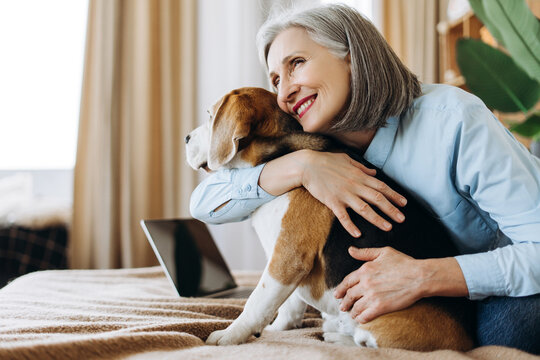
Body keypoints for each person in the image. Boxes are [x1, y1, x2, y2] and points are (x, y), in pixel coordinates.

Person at [190, 4, 540, 354]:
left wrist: (420, 277)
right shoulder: (315, 148)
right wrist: (303, 166)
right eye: (276, 80)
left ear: (352, 56)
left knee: (511, 331)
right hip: (437, 298)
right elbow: (204, 203)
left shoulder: (454, 121)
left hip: (505, 276)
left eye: (296, 63)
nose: (284, 94)